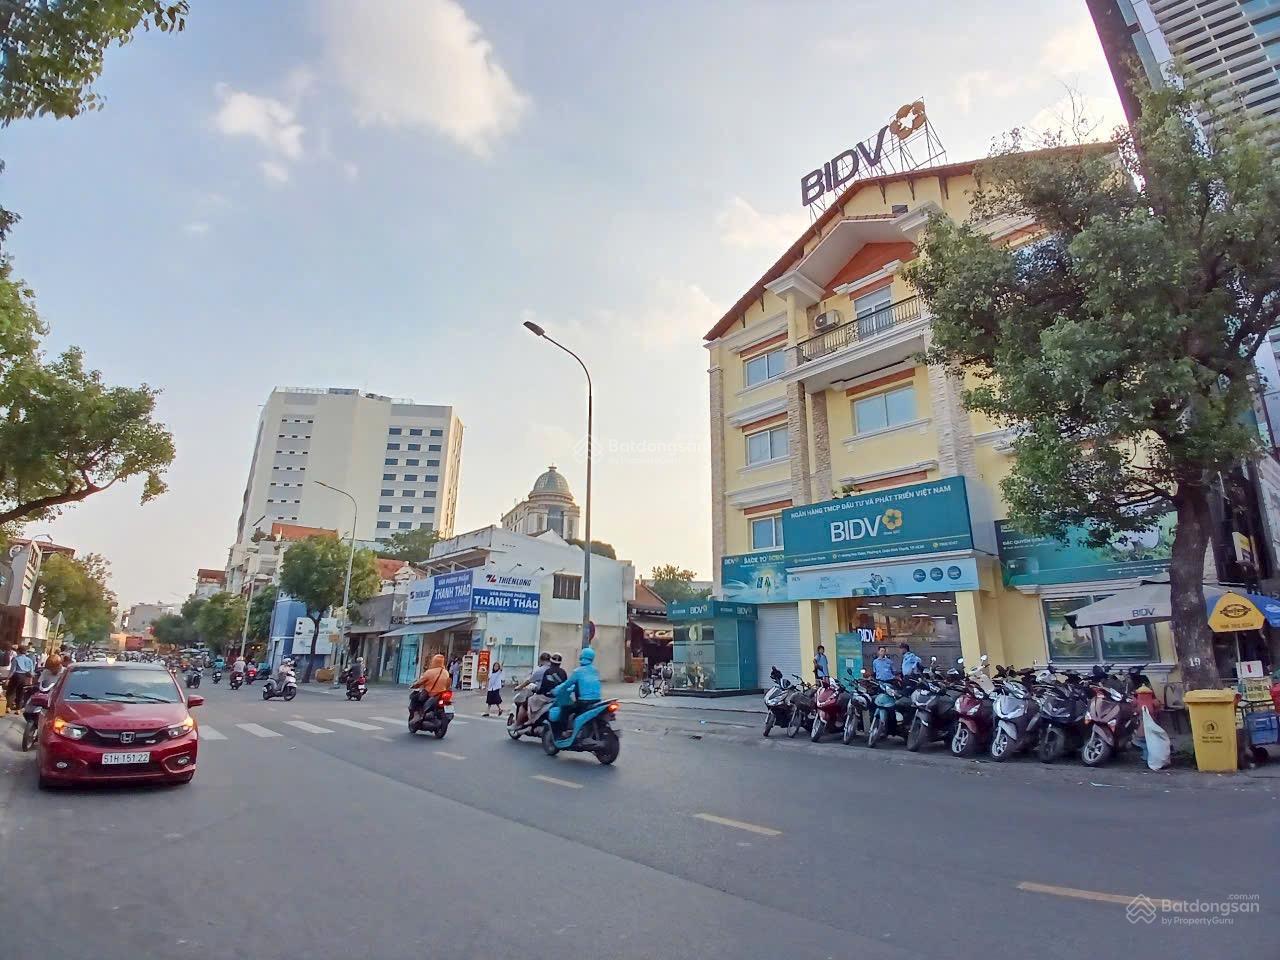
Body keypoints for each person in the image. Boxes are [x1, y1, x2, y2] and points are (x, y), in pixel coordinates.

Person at [549, 647, 602, 738]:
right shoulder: (595, 670)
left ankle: (564, 732)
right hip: (597, 700)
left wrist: (556, 690)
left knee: (565, 709)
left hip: (584, 702)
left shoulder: (578, 671)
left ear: (581, 657)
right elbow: (586, 683)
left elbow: (566, 684)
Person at [514, 653, 552, 726]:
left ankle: (518, 723)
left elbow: (529, 681)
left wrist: (519, 687)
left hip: (543, 695)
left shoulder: (541, 670)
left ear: (541, 660)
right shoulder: (555, 669)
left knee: (525, 704)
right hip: (554, 696)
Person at [409, 653, 452, 717]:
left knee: (415, 699)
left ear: (434, 662)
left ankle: (418, 714)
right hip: (442, 693)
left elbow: (420, 682)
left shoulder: (429, 672)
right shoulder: (446, 672)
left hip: (431, 693)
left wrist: (414, 685)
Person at [7, 643, 35, 713]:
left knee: (11, 691)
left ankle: (8, 707)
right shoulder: (29, 660)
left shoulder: (16, 659)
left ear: (18, 651)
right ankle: (18, 709)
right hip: (24, 677)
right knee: (20, 693)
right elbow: (31, 672)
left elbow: (12, 671)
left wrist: (7, 679)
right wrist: (30, 680)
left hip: (16, 676)